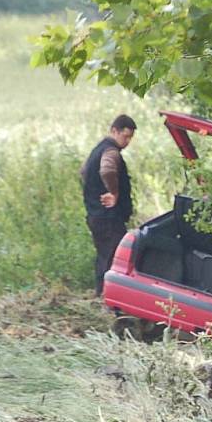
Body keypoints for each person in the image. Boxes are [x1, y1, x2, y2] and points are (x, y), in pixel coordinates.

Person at [81, 114, 136, 296]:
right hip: (107, 217)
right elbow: (107, 169)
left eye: (130, 138)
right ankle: (109, 296)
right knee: (115, 256)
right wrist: (114, 193)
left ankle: (101, 294)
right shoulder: (111, 151)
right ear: (114, 131)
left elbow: (83, 171)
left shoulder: (98, 149)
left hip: (96, 215)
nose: (127, 141)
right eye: (125, 136)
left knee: (104, 255)